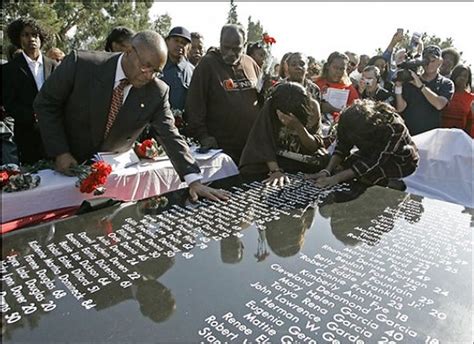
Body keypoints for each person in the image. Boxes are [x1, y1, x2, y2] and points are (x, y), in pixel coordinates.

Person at [34, 30, 229, 202]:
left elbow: (169, 134)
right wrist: (60, 152)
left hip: (112, 177)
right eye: (146, 66)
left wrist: (193, 180)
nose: (149, 76)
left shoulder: (157, 91)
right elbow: (45, 104)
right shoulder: (82, 64)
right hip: (62, 170)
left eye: (156, 71)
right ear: (128, 51)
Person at [185, 24, 261, 163]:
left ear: (244, 45)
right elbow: (194, 103)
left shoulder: (250, 63)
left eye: (236, 49)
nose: (231, 53)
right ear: (220, 43)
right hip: (222, 150)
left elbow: (260, 97)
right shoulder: (207, 64)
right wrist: (203, 136)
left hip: (251, 147)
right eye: (226, 47)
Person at [307, 99, 419, 190]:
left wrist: (336, 179)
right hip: (369, 151)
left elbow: (373, 162)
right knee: (339, 169)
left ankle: (388, 182)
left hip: (401, 160)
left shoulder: (394, 127)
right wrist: (327, 171)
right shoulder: (350, 120)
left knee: (364, 176)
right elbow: (342, 146)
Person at [240, 82, 327, 186]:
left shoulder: (312, 107)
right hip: (276, 158)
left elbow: (313, 147)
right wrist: (275, 171)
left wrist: (298, 127)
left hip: (303, 159)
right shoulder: (270, 106)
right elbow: (263, 140)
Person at [2, 17, 57, 164]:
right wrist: (33, 116)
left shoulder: (53, 66)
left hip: (54, 134)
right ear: (18, 39)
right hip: (27, 136)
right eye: (25, 35)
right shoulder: (9, 70)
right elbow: (9, 103)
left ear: (41, 38)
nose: (31, 38)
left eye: (35, 35)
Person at [394, 45, 455, 135]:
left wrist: (421, 86)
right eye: (426, 60)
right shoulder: (411, 80)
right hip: (409, 135)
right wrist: (398, 86)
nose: (429, 64)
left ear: (440, 62)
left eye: (433, 60)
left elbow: (439, 104)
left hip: (431, 136)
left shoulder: (446, 83)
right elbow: (400, 108)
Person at [315, 51, 359, 123]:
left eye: (342, 69)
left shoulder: (348, 88)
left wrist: (333, 109)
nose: (338, 71)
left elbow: (356, 113)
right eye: (335, 67)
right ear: (328, 66)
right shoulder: (316, 84)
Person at [161, 26, 194, 112]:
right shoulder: (157, 65)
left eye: (184, 43)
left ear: (189, 47)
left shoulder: (193, 71)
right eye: (176, 41)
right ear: (167, 41)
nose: (180, 45)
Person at [441, 64, 474, 136]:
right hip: (441, 135)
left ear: (468, 79)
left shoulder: (471, 98)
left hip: (461, 138)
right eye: (459, 75)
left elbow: (470, 121)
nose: (462, 78)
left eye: (465, 76)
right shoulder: (444, 93)